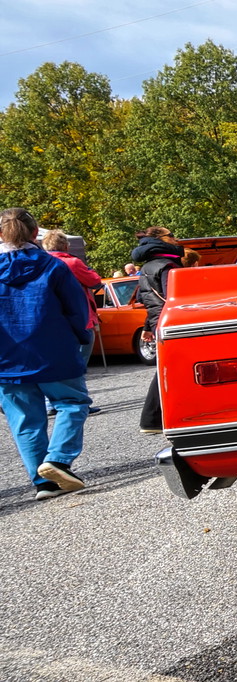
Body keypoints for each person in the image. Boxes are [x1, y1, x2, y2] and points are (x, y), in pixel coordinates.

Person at [0, 208, 93, 500]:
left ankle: (44, 484)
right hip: (54, 350)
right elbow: (76, 309)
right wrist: (82, 335)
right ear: (34, 231)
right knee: (72, 403)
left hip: (7, 359)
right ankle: (57, 460)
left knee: (24, 420)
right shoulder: (53, 266)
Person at [41, 230, 103, 416]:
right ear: (66, 246)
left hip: (50, 322)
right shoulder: (72, 262)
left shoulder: (40, 263)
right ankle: (80, 402)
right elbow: (95, 281)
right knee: (78, 364)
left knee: (52, 363)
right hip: (79, 319)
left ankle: (50, 403)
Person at [131, 227, 184, 434]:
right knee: (169, 367)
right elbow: (171, 297)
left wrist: (148, 326)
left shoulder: (149, 265)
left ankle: (153, 419)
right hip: (170, 321)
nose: (175, 238)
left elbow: (149, 300)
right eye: (171, 235)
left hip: (158, 320)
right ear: (159, 239)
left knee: (167, 366)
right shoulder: (166, 265)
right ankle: (151, 419)